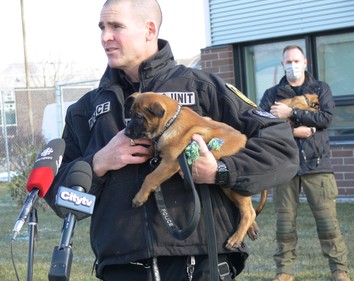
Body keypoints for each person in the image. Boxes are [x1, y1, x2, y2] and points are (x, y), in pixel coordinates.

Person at [44, 1, 299, 280]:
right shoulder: (85, 109)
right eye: (102, 28)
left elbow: (281, 146)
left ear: (149, 30)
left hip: (200, 263)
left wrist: (221, 171)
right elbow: (59, 196)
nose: (105, 37)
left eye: (116, 26)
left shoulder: (204, 89)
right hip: (122, 267)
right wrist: (97, 163)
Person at [259, 45, 351, 281]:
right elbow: (262, 128)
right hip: (285, 166)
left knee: (327, 222)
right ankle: (284, 272)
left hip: (317, 166)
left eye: (296, 61)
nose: (292, 65)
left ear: (305, 62)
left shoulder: (320, 89)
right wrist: (294, 133)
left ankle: (339, 270)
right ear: (282, 65)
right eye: (288, 62)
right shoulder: (271, 95)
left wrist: (291, 113)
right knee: (284, 224)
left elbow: (326, 118)